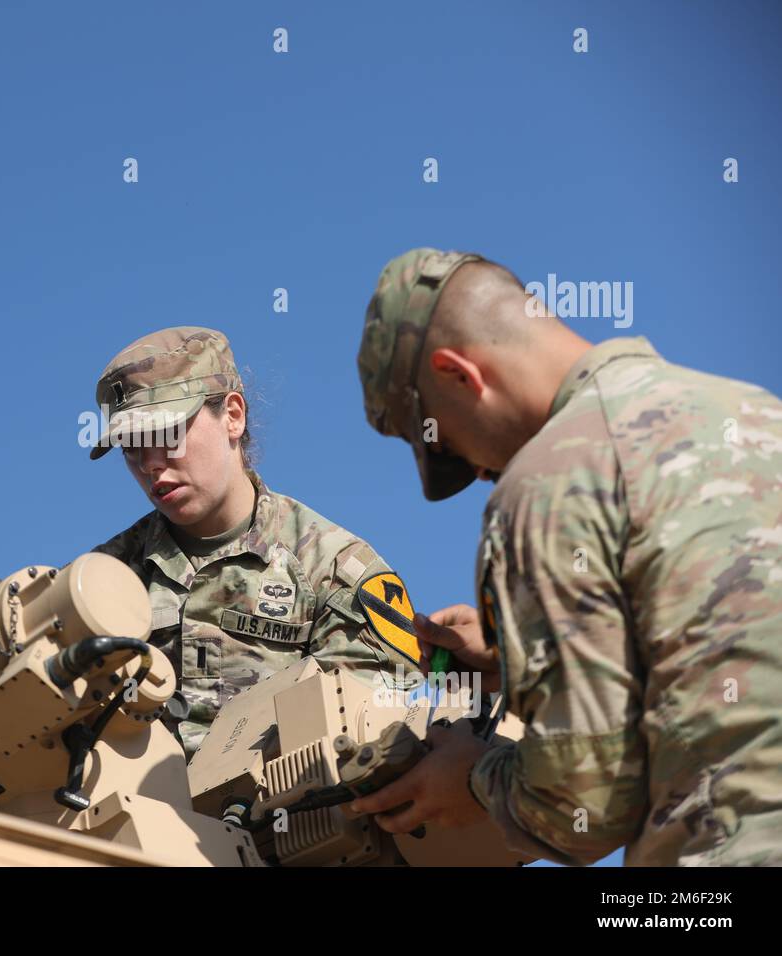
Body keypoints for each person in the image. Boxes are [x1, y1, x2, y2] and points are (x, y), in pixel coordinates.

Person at [351, 247, 782, 866]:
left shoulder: (549, 483)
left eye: (442, 442)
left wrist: (474, 780)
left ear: (458, 375)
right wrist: (513, 658)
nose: (474, 472)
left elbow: (580, 808)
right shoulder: (752, 410)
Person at [88, 326, 427, 763]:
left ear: (233, 415)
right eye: (131, 446)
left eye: (167, 433)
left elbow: (377, 729)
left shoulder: (336, 571)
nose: (150, 464)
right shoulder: (104, 580)